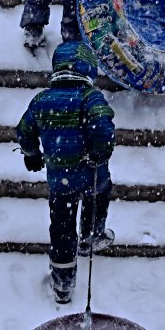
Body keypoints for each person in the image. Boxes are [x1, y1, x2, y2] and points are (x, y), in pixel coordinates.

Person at [16, 41, 116, 304]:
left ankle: (63, 284)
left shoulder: (41, 100)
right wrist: (99, 152)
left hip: (60, 181)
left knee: (61, 229)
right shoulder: (90, 97)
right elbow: (104, 129)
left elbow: (24, 130)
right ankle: (91, 236)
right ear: (89, 68)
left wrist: (32, 153)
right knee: (98, 198)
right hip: (92, 174)